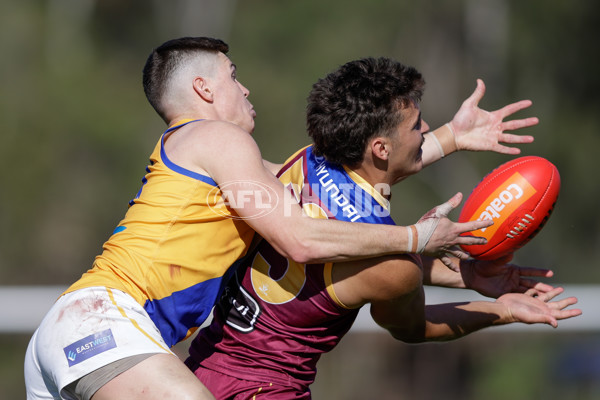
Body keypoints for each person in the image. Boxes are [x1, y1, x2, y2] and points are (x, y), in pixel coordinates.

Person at [23, 36, 511, 400]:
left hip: (77, 327)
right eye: (233, 75)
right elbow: (301, 237)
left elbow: (349, 182)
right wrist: (416, 236)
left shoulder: (213, 156)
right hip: (102, 323)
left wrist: (450, 137)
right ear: (203, 88)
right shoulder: (220, 138)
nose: (244, 86)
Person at [186, 57, 582, 399]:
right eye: (416, 125)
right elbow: (414, 327)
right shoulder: (395, 264)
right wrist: (503, 311)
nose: (425, 129)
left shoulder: (309, 161)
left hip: (199, 369)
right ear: (380, 148)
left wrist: (455, 136)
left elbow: (369, 196)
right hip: (267, 390)